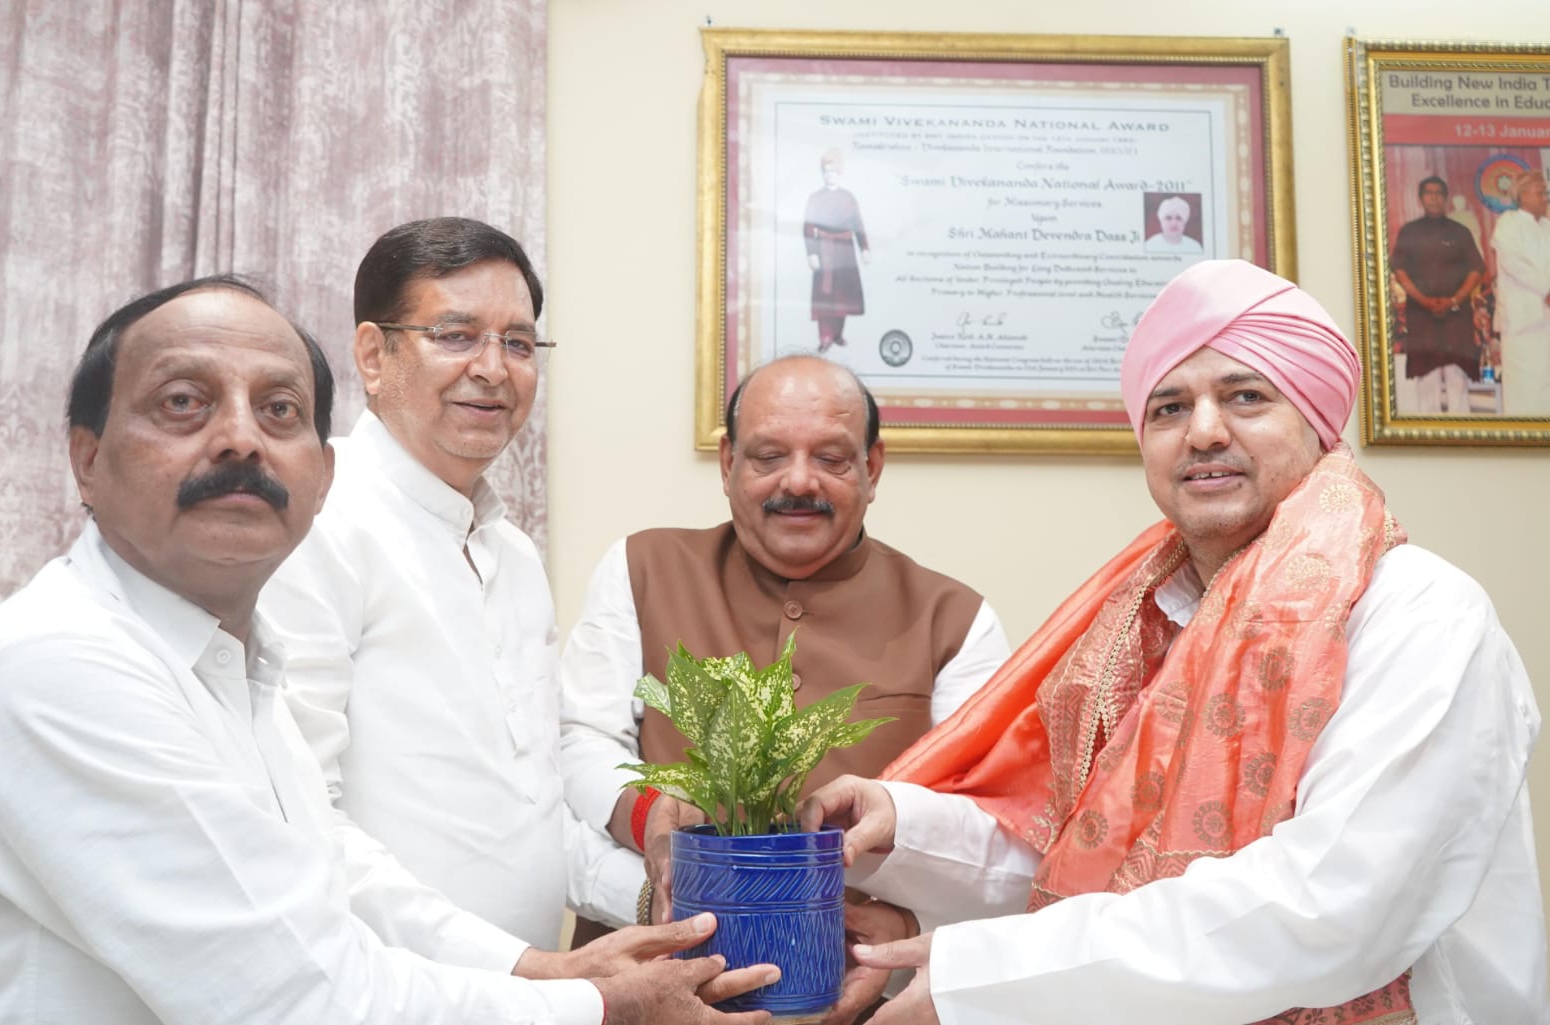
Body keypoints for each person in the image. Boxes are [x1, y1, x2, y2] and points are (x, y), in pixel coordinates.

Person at [0, 275, 778, 1024]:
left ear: (319, 474)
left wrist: (542, 967)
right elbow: (298, 996)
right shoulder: (58, 668)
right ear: (87, 458)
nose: (240, 439)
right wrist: (594, 1004)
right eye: (183, 402)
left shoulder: (237, 663)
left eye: (279, 411)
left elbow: (332, 876)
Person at [802, 260, 1547, 1024]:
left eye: (1246, 396)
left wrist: (986, 978)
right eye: (1169, 407)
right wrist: (903, 828)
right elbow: (1079, 861)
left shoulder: (1420, 613)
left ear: (1318, 421)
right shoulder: (1142, 627)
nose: (1204, 431)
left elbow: (1333, 908)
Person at [259, 218, 630, 951]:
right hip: (386, 987)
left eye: (518, 343)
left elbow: (530, 808)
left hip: (518, 989)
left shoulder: (512, 553)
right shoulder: (319, 523)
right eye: (456, 335)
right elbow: (299, 818)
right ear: (374, 354)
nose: (493, 368)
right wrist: (517, 971)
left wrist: (657, 892)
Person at [558, 356, 1011, 954]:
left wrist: (911, 928)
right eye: (769, 457)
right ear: (728, 464)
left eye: (831, 459)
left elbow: (996, 829)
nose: (798, 482)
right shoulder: (641, 570)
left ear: (872, 468)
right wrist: (649, 821)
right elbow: (579, 743)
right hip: (644, 972)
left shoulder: (956, 620)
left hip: (859, 984)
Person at [1389, 175, 1487, 414]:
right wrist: (1424, 301)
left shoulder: (1459, 231)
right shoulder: (1410, 231)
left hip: (1457, 314)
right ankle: (1428, 430)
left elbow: (1476, 270)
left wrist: (1454, 300)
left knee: (1457, 374)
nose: (1434, 198)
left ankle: (1461, 430)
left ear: (1446, 198)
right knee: (1427, 377)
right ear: (1421, 199)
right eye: (1429, 193)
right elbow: (1399, 271)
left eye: (1439, 193)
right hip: (1421, 314)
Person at [1491, 169, 1550, 415]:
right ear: (1523, 195)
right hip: (1521, 321)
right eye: (1540, 193)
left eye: (1545, 193)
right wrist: (1547, 288)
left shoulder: (1547, 226)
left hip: (1546, 321)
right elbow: (1512, 263)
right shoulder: (1508, 222)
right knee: (1524, 388)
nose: (1545, 198)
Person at [803, 150, 871, 352]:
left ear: (840, 173)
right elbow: (808, 227)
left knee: (842, 296)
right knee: (825, 296)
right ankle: (825, 337)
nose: (829, 175)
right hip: (824, 250)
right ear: (822, 173)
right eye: (826, 171)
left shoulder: (848, 198)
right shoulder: (815, 198)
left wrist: (864, 248)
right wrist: (811, 253)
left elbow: (858, 224)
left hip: (845, 251)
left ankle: (837, 334)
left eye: (833, 171)